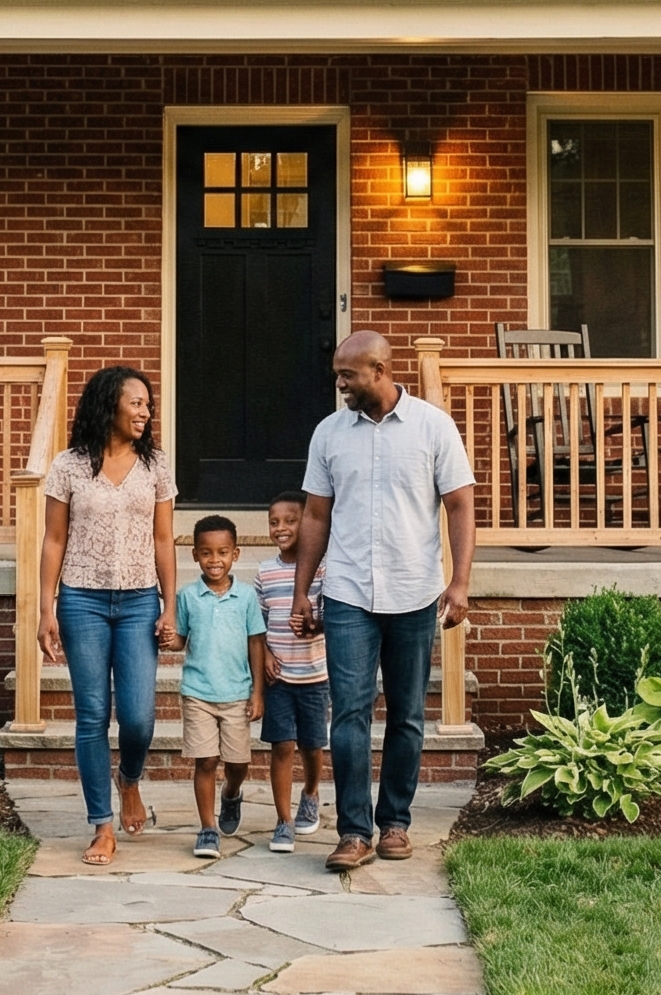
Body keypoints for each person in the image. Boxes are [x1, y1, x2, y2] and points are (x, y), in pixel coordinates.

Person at [292, 330, 476, 872]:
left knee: (408, 715)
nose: (340, 384)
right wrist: (302, 590)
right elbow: (316, 516)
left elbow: (461, 506)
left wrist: (459, 581)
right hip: (348, 592)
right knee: (348, 713)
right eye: (338, 375)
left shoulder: (433, 427)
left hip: (414, 590)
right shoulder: (329, 433)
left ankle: (395, 822)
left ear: (379, 370)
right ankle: (354, 831)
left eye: (348, 375)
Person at [38, 365, 179, 867]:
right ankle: (101, 825)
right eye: (136, 403)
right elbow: (54, 539)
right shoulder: (69, 466)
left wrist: (169, 605)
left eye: (147, 404)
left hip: (140, 599)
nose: (145, 412)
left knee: (139, 718)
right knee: (92, 717)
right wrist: (45, 607)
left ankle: (130, 780)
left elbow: (164, 539)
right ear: (109, 405)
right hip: (82, 600)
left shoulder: (156, 465)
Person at [171, 513, 266, 860]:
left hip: (237, 692)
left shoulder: (245, 597)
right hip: (198, 691)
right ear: (195, 555)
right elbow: (180, 640)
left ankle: (232, 793)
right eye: (207, 553)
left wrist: (258, 691)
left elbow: (257, 642)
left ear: (235, 554)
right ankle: (208, 829)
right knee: (205, 760)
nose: (215, 560)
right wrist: (168, 638)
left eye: (222, 553)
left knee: (237, 763)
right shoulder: (188, 596)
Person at [256, 488, 329, 854]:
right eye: (274, 522)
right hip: (279, 678)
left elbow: (333, 618)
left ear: (307, 524)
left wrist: (317, 626)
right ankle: (283, 820)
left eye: (289, 520)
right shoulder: (265, 573)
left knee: (313, 745)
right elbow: (257, 625)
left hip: (315, 675)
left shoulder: (323, 570)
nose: (280, 528)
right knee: (282, 745)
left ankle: (312, 791)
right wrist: (266, 654)